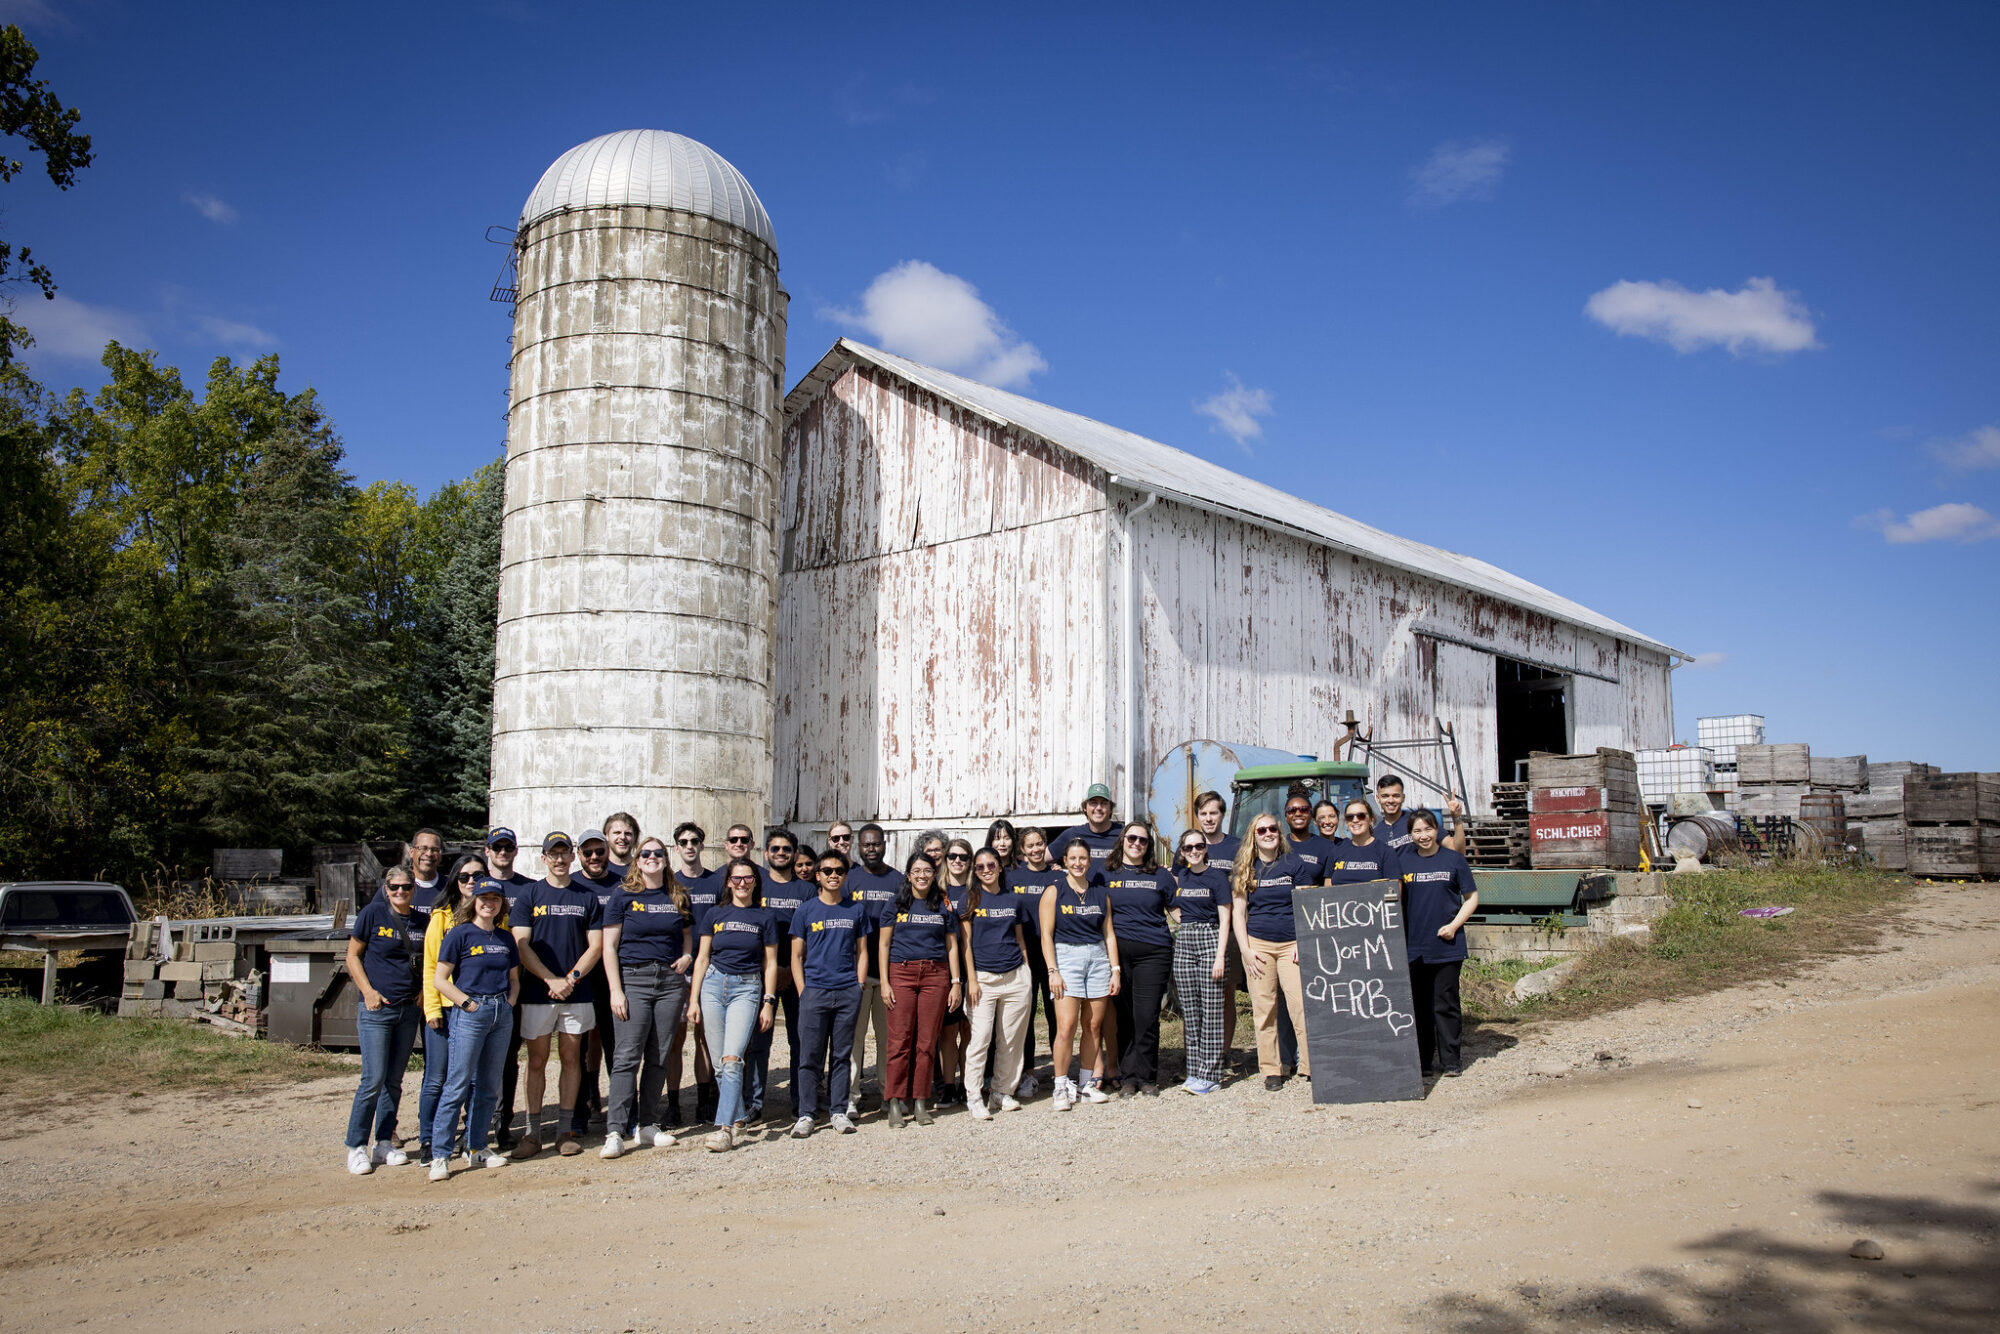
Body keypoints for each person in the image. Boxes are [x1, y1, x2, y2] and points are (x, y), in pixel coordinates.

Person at [598, 835, 694, 1159]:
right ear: (637, 861)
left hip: (669, 982)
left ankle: (648, 1124)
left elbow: (687, 937)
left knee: (659, 1054)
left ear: (666, 859)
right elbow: (608, 947)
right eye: (646, 854)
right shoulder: (622, 897)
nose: (652, 857)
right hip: (634, 980)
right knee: (627, 1056)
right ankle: (616, 1130)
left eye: (658, 853)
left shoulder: (678, 895)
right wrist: (615, 990)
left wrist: (688, 956)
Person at [511, 832, 603, 1160]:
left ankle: (565, 1131)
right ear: (544, 858)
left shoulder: (586, 897)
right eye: (554, 854)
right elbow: (522, 945)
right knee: (536, 1060)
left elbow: (596, 946)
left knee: (571, 1057)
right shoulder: (529, 895)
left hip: (576, 992)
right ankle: (532, 1133)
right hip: (539, 992)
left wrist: (571, 978)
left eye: (565, 853)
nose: (560, 859)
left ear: (573, 857)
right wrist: (551, 979)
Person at [428, 877, 521, 1181]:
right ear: (474, 901)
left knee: (488, 1086)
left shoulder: (506, 939)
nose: (488, 903)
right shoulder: (459, 934)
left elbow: (514, 978)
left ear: (501, 904)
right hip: (471, 1012)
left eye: (495, 899)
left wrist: (509, 1004)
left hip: (500, 1013)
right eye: (484, 898)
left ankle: (478, 1147)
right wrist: (466, 1004)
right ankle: (440, 1155)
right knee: (457, 1083)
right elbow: (440, 979)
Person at [689, 857, 778, 1150]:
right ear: (728, 882)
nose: (742, 883)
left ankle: (724, 1129)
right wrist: (694, 1000)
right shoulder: (715, 914)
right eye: (736, 878)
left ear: (755, 881)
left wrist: (768, 1001)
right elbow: (702, 958)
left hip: (747, 988)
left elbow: (770, 963)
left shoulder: (765, 918)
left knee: (732, 1059)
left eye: (748, 878)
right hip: (713, 985)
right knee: (718, 1064)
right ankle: (738, 1113)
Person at [343, 866, 424, 1175]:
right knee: (373, 1079)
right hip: (377, 1010)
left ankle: (383, 1144)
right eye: (395, 887)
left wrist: (421, 993)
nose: (400, 892)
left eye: (406, 887)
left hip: (407, 1009)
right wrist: (368, 992)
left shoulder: (421, 921)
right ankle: (355, 1146)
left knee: (393, 1080)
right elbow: (352, 956)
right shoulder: (372, 914)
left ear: (413, 888)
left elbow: (426, 960)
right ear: (386, 888)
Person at [1230, 814, 1317, 1090]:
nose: (1268, 833)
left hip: (1292, 945)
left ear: (1279, 833)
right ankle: (1271, 1069)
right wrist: (1245, 950)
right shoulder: (1245, 867)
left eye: (1272, 829)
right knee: (1264, 1009)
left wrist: (1303, 942)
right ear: (1253, 836)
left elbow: (1305, 906)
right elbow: (1238, 912)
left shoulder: (1295, 864)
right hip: (1259, 946)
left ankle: (1310, 1065)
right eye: (1262, 830)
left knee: (1300, 1006)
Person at [418, 853, 491, 1166]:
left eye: (476, 876)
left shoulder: (491, 914)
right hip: (447, 1009)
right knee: (438, 1079)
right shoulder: (442, 917)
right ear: (455, 881)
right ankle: (428, 1139)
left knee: (474, 1080)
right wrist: (432, 1010)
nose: (471, 882)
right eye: (464, 877)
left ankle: (470, 1140)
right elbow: (430, 966)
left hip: (475, 1010)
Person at [878, 853, 961, 1127]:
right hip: (901, 973)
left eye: (927, 870)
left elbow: (951, 946)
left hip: (935, 976)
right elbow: (884, 945)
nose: (922, 875)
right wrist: (885, 982)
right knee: (899, 1041)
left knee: (926, 1043)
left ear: (934, 874)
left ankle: (921, 1101)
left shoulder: (942, 905)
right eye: (917, 870)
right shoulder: (896, 904)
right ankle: (894, 1101)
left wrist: (956, 982)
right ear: (908, 875)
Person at [787, 850, 866, 1137]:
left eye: (839, 871)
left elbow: (862, 951)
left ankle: (838, 1111)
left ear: (846, 876)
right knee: (809, 1056)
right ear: (817, 875)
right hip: (815, 992)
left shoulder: (855, 910)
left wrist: (857, 986)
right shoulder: (806, 911)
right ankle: (806, 1114)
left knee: (842, 1056)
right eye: (828, 871)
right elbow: (796, 955)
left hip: (846, 991)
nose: (834, 875)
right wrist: (803, 991)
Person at [1040, 838, 1120, 1110]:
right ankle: (1060, 1086)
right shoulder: (1054, 890)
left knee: (1093, 1026)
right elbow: (1046, 936)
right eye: (1072, 858)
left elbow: (1109, 934)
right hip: (1066, 957)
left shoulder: (1100, 892)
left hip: (1097, 959)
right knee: (1066, 1026)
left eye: (1082, 858)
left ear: (1089, 861)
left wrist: (1115, 969)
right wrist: (1053, 970)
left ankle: (1086, 1082)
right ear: (1064, 861)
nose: (1077, 863)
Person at [1399, 809, 1479, 1078]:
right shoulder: (1403, 860)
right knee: (1419, 1007)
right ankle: (1423, 1062)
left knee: (1445, 1004)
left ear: (1437, 831)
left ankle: (1451, 1061)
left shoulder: (1453, 860)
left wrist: (1454, 926)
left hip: (1446, 946)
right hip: (1413, 946)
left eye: (1428, 829)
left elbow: (1471, 898)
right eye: (1417, 831)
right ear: (1410, 834)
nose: (1423, 836)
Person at [1101, 823, 1175, 1097]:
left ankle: (1147, 1077)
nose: (1136, 843)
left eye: (1143, 840)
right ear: (1122, 840)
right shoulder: (1105, 873)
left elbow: (1177, 911)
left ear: (1149, 846)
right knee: (1123, 1017)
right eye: (1131, 838)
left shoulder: (1160, 876)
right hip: (1116, 956)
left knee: (1147, 1016)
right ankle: (1127, 1075)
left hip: (1153, 953)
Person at [960, 846, 1032, 1120]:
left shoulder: (1014, 900)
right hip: (983, 980)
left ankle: (1002, 1091)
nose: (986, 870)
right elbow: (965, 944)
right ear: (974, 872)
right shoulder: (970, 899)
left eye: (991, 865)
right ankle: (974, 1096)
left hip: (1015, 976)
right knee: (980, 1039)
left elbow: (1020, 939)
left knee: (1011, 1039)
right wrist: (971, 980)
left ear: (1000, 868)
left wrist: (1025, 971)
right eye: (980, 867)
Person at [480, 827, 536, 1152]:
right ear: (487, 850)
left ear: (515, 851)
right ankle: (476, 1122)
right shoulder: (475, 885)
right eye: (496, 847)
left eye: (507, 847)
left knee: (508, 1057)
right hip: (477, 986)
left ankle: (502, 1123)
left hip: (515, 986)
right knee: (475, 1059)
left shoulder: (528, 889)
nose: (502, 851)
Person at [845, 823, 904, 1115]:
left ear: (884, 844)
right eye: (866, 845)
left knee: (888, 1039)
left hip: (890, 974)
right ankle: (851, 1098)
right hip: (855, 973)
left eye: (876, 844)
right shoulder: (848, 879)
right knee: (853, 1039)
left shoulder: (898, 880)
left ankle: (888, 1094)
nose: (871, 849)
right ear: (859, 846)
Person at [1170, 828, 1232, 1094]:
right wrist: (1178, 920)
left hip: (1210, 938)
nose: (1194, 852)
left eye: (1198, 847)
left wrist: (1220, 955)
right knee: (1190, 1010)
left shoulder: (1217, 877)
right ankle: (1194, 1071)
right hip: (1185, 940)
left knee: (1212, 1009)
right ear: (1182, 852)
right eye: (1188, 848)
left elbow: (1225, 915)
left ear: (1205, 848)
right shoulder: (1181, 877)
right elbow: (1171, 903)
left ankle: (1211, 1074)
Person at [754, 828, 811, 1121]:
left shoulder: (806, 890)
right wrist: (772, 973)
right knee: (759, 1040)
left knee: (799, 1039)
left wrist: (791, 970)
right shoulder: (756, 886)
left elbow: (811, 936)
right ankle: (753, 1102)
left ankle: (801, 1101)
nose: (780, 853)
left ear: (794, 854)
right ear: (766, 854)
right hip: (762, 975)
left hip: (797, 975)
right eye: (775, 849)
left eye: (786, 849)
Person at [572, 828, 623, 1135]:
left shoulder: (622, 883)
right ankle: (582, 1109)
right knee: (575, 1046)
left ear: (607, 852)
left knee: (616, 1046)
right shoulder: (572, 884)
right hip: (581, 977)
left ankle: (620, 1114)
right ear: (579, 854)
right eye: (587, 852)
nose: (594, 857)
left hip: (612, 977)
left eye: (599, 851)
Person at [672, 821, 722, 1125]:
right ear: (676, 847)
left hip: (711, 969)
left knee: (705, 1038)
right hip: (678, 971)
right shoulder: (670, 884)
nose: (689, 846)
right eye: (684, 841)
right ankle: (674, 1103)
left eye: (695, 841)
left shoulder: (716, 883)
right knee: (674, 1041)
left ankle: (705, 1101)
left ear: (702, 845)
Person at [1008, 827, 1062, 1099]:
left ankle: (1059, 1072)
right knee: (1025, 1017)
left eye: (1040, 844)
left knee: (1056, 1015)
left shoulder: (1058, 877)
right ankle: (1027, 1073)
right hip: (1023, 955)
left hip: (1052, 954)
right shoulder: (1012, 876)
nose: (1036, 849)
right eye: (1030, 845)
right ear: (1022, 849)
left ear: (1045, 845)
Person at [936, 837, 977, 1104]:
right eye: (953, 856)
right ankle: (949, 1085)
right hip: (945, 967)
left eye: (963, 857)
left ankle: (968, 1083)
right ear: (945, 859)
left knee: (970, 1030)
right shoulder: (936, 892)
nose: (958, 861)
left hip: (975, 965)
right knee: (949, 1032)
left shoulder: (978, 891)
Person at [1373, 775, 1469, 855]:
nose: (1390, 800)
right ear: (1378, 798)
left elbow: (1458, 851)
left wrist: (1457, 819)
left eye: (1396, 796)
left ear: (1403, 797)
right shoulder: (1375, 834)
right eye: (1385, 796)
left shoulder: (1419, 821)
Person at [1329, 798, 1401, 886]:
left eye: (1361, 816)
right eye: (1350, 817)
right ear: (1346, 823)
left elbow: (1395, 890)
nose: (1355, 820)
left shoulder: (1386, 852)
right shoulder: (1336, 850)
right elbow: (1327, 891)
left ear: (1371, 819)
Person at [1050, 783, 1121, 871]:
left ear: (1110, 809)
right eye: (1093, 803)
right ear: (1085, 808)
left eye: (1104, 803)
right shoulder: (1072, 834)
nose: (1098, 807)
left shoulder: (1124, 835)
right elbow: (1038, 859)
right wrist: (1053, 872)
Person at [406, 828, 448, 924]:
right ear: (412, 852)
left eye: (435, 849)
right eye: (423, 848)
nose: (429, 854)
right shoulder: (396, 888)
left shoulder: (450, 888)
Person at [1194, 791, 1241, 867]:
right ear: (1197, 817)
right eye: (1203, 814)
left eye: (1213, 813)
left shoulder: (1239, 847)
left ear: (1222, 815)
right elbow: (1176, 877)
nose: (1208, 819)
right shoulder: (1187, 848)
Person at [603, 811, 641, 880]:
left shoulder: (643, 870)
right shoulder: (598, 870)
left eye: (628, 833)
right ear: (607, 836)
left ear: (635, 837)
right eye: (617, 833)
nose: (623, 837)